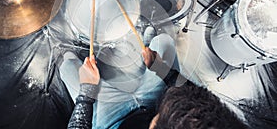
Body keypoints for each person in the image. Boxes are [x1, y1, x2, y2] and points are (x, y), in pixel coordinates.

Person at [66, 45, 247, 129]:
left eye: (157, 120)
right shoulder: (222, 123)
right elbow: (192, 95)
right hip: (148, 105)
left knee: (67, 67)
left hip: (112, 123)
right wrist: (162, 69)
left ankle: (66, 55)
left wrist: (87, 93)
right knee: (163, 41)